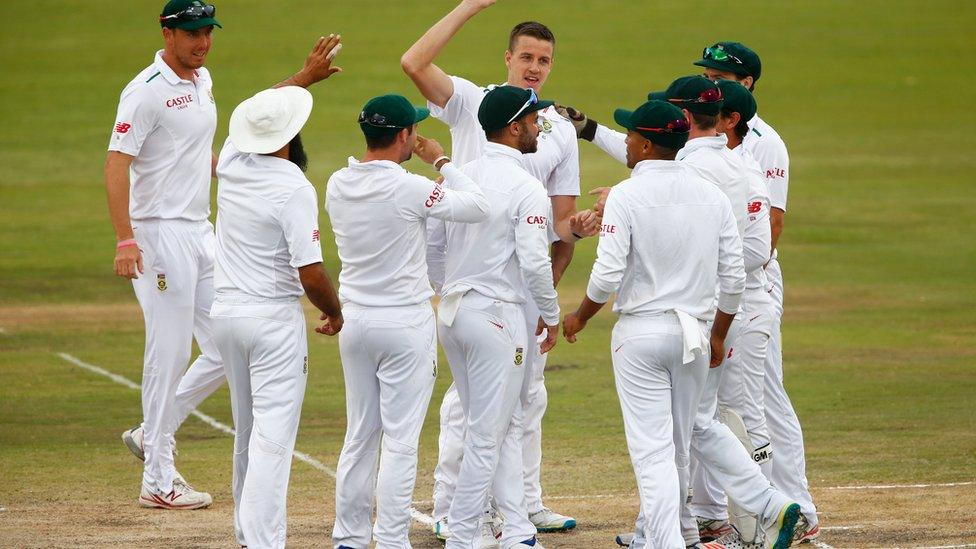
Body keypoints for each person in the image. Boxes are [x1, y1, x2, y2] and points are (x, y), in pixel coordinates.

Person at [401, 1, 590, 537]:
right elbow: (414, 62)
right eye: (526, 56)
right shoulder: (474, 103)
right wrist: (470, 6)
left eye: (544, 60)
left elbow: (557, 225)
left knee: (528, 396)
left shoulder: (556, 129)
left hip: (523, 285)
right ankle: (450, 509)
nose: (534, 67)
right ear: (508, 56)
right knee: (472, 404)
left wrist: (581, 227)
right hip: (480, 280)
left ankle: (523, 507)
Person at [561, 99, 745, 549]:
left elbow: (606, 275)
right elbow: (734, 278)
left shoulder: (626, 194)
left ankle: (665, 542)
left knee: (653, 452)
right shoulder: (712, 194)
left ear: (645, 145)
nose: (624, 141)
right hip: (696, 335)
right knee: (679, 447)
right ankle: (682, 535)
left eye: (629, 136)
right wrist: (718, 334)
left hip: (642, 335)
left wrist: (579, 317)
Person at [326, 94, 489, 548]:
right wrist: (441, 161)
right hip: (404, 326)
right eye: (413, 130)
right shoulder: (411, 187)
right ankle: (392, 540)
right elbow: (477, 205)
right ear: (404, 136)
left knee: (360, 434)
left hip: (355, 323)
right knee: (399, 441)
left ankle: (350, 538)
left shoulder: (338, 183)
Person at [693, 42, 818, 541]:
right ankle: (718, 511)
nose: (709, 80)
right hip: (721, 288)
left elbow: (772, 226)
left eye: (719, 75)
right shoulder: (709, 130)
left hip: (751, 284)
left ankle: (796, 507)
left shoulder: (765, 143)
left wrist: (743, 287)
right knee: (716, 403)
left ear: (744, 85)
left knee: (763, 397)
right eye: (705, 72)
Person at [211, 77, 343, 547]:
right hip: (271, 321)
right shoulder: (294, 187)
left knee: (247, 429)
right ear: (289, 138)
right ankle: (264, 541)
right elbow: (310, 273)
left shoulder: (229, 160)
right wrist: (335, 311)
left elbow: (257, 108)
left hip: (225, 315)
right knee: (272, 439)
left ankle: (249, 534)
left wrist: (303, 76)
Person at [431, 85, 560, 549]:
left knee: (498, 424)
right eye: (533, 120)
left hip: (455, 314)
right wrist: (550, 313)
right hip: (498, 318)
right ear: (513, 127)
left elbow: (433, 246)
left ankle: (519, 532)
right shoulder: (526, 186)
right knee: (487, 436)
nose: (540, 126)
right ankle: (463, 538)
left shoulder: (459, 177)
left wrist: (450, 286)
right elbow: (533, 261)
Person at [106, 0, 223, 509]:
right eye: (193, 33)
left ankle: (151, 432)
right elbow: (115, 165)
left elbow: (195, 151)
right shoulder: (144, 93)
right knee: (169, 352)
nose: (202, 42)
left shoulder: (203, 80)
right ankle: (157, 480)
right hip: (158, 235)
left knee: (228, 343)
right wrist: (125, 239)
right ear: (167, 31)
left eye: (208, 32)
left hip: (200, 230)